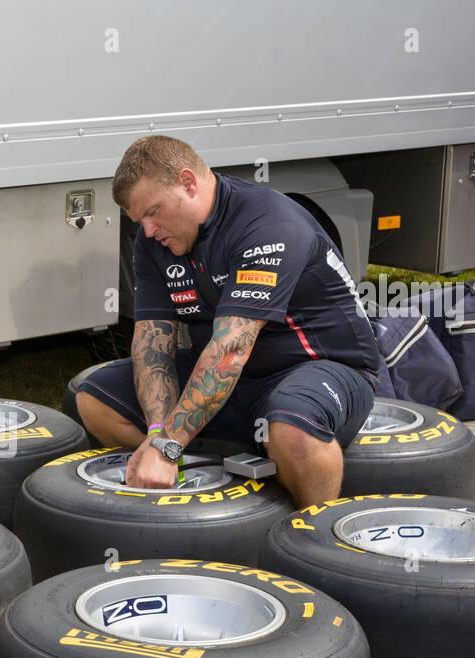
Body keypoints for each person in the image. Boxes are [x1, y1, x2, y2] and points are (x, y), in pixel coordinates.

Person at [75, 136, 381, 507]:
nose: (149, 230)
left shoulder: (269, 224)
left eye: (154, 212)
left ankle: (308, 534)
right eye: (141, 220)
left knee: (293, 432)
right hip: (234, 382)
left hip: (319, 368)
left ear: (188, 182)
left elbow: (229, 351)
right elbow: (151, 346)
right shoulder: (153, 241)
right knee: (94, 399)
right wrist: (159, 435)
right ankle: (204, 478)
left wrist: (169, 445)